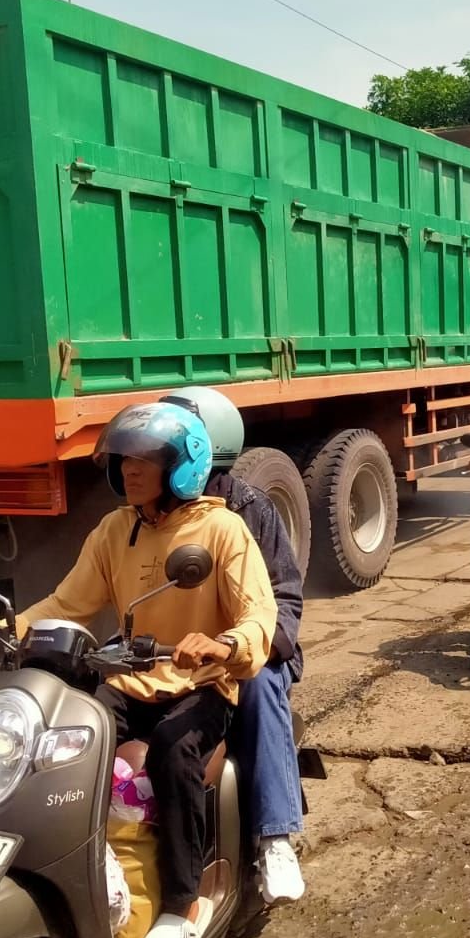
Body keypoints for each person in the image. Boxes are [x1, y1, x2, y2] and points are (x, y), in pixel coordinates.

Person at [0, 403, 277, 938]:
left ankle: (180, 901)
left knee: (175, 750)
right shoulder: (113, 530)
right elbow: (64, 605)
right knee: (63, 745)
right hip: (129, 680)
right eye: (123, 458)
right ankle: (80, 871)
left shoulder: (222, 529)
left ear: (184, 464)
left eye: (144, 458)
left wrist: (222, 647)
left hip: (199, 685)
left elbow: (259, 616)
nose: (129, 469)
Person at [158, 386, 306, 905]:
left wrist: (241, 644)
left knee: (260, 678)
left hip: (248, 650)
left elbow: (285, 599)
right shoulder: (146, 513)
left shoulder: (250, 509)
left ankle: (275, 838)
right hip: (171, 653)